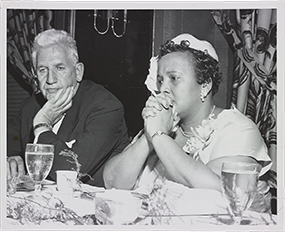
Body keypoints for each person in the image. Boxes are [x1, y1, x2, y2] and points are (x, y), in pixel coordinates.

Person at [103, 33, 272, 192]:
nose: (163, 89)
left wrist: (159, 136)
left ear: (205, 85)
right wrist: (148, 137)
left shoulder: (238, 129)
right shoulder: (161, 124)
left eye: (174, 78)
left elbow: (214, 192)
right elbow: (112, 182)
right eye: (160, 80)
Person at [7, 29, 129, 187]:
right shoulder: (30, 106)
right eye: (43, 70)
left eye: (60, 68)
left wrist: (42, 125)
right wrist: (10, 157)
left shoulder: (106, 106)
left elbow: (70, 171)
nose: (51, 80)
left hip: (89, 206)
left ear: (78, 72)